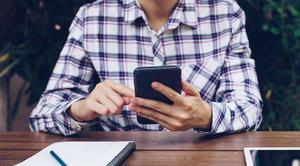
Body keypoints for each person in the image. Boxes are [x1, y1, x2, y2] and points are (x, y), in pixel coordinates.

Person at [29, 0, 263, 136]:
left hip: (202, 165)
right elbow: (42, 115)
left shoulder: (225, 12)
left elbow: (250, 108)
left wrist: (206, 116)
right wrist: (81, 109)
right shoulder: (92, 17)